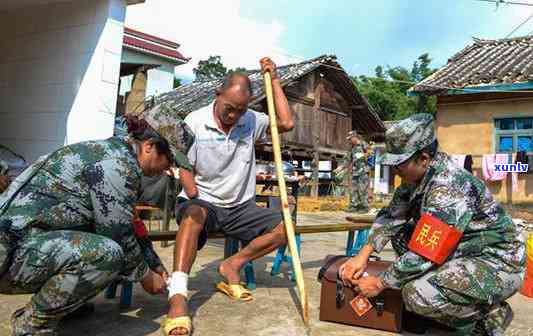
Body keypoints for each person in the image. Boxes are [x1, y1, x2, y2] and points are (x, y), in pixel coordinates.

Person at [0, 107, 195, 336]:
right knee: (107, 254)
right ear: (149, 146)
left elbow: (130, 225)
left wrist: (155, 266)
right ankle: (32, 326)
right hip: (11, 253)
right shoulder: (118, 167)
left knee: (100, 244)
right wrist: (145, 275)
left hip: (25, 245)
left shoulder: (116, 153)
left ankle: (64, 306)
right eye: (169, 158)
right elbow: (118, 235)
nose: (168, 168)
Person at [339, 114, 525, 336]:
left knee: (415, 294)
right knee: (402, 234)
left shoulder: (449, 187)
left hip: (496, 262)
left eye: (399, 164)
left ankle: (486, 317)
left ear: (424, 158)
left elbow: (425, 251)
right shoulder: (415, 179)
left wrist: (380, 283)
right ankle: (455, 296)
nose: (395, 170)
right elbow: (391, 217)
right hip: (461, 252)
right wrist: (363, 254)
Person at [161, 57, 294, 336]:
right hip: (203, 201)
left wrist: (275, 80)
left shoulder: (251, 120)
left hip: (239, 206)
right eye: (229, 108)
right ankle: (178, 296)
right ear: (217, 95)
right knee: (194, 215)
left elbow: (286, 122)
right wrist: (195, 195)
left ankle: (232, 264)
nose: (233, 116)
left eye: (240, 110)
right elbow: (184, 165)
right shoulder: (194, 121)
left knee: (286, 228)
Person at [344, 130, 370, 213]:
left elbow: (371, 152)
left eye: (350, 139)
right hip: (355, 171)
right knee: (353, 189)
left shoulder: (363, 144)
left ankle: (364, 207)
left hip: (363, 170)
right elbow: (348, 159)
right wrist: (342, 168)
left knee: (362, 189)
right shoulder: (351, 147)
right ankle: (354, 206)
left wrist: (364, 155)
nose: (349, 141)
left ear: (355, 137)